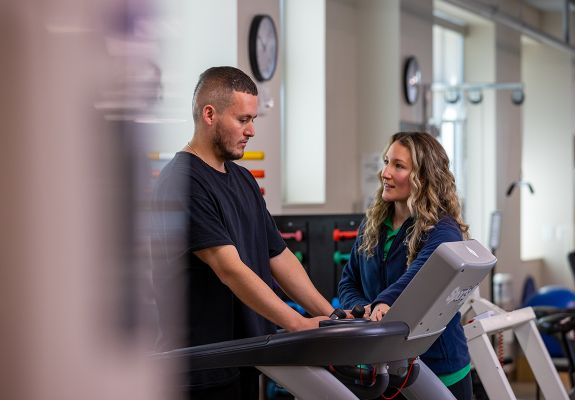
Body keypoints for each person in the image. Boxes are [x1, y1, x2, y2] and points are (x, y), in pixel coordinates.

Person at [150, 66, 334, 400]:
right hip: (199, 370)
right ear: (210, 114)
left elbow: (278, 256)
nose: (251, 131)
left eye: (254, 121)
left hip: (245, 359)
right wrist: (296, 322)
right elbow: (229, 268)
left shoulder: (243, 180)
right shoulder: (182, 183)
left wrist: (329, 316)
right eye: (243, 120)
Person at [338, 132, 473, 400]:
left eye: (398, 166)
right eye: (386, 162)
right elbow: (348, 281)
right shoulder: (372, 225)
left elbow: (421, 273)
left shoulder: (443, 229)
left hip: (438, 369)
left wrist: (384, 302)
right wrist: (363, 309)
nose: (385, 173)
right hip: (382, 365)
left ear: (422, 177)